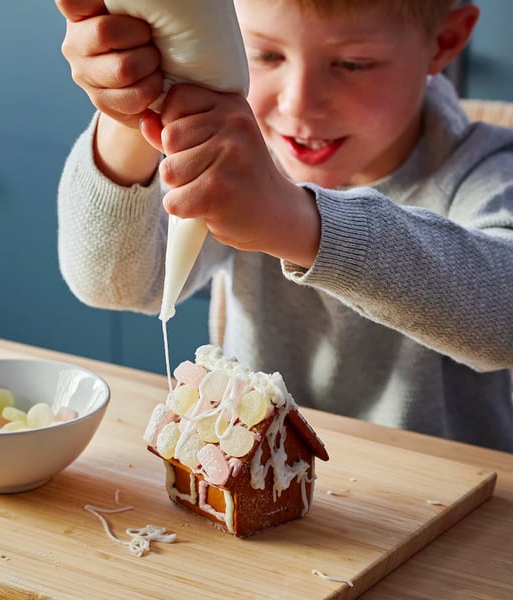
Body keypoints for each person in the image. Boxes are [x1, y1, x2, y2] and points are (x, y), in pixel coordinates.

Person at [54, 0, 513, 452]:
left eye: (353, 64)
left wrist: (295, 222)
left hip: (449, 503)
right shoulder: (238, 156)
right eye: (267, 55)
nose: (299, 104)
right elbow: (113, 284)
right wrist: (134, 114)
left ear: (444, 42)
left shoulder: (487, 169)